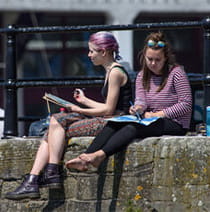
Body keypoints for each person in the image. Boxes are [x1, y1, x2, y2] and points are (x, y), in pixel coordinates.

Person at [5, 31, 132, 200]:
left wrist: (78, 109)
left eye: (92, 51)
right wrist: (84, 101)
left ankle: (44, 175)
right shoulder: (111, 70)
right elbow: (110, 107)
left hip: (111, 123)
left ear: (103, 52)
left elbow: (109, 111)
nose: (89, 55)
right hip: (107, 118)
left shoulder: (115, 72)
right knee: (54, 124)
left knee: (55, 122)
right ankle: (38, 177)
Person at [66, 31, 192, 171]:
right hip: (149, 119)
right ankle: (85, 157)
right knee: (113, 124)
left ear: (166, 58)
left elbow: (185, 104)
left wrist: (159, 114)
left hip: (175, 123)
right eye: (149, 59)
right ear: (144, 56)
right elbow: (141, 100)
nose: (153, 63)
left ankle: (100, 156)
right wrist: (138, 107)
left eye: (158, 60)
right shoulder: (142, 76)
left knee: (132, 128)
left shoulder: (176, 73)